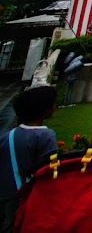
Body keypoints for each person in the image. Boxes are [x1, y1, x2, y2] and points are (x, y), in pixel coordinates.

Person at [0, 86, 57, 233]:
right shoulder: (45, 135)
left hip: (7, 192)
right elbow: (48, 168)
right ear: (45, 109)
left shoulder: (8, 135)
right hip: (30, 194)